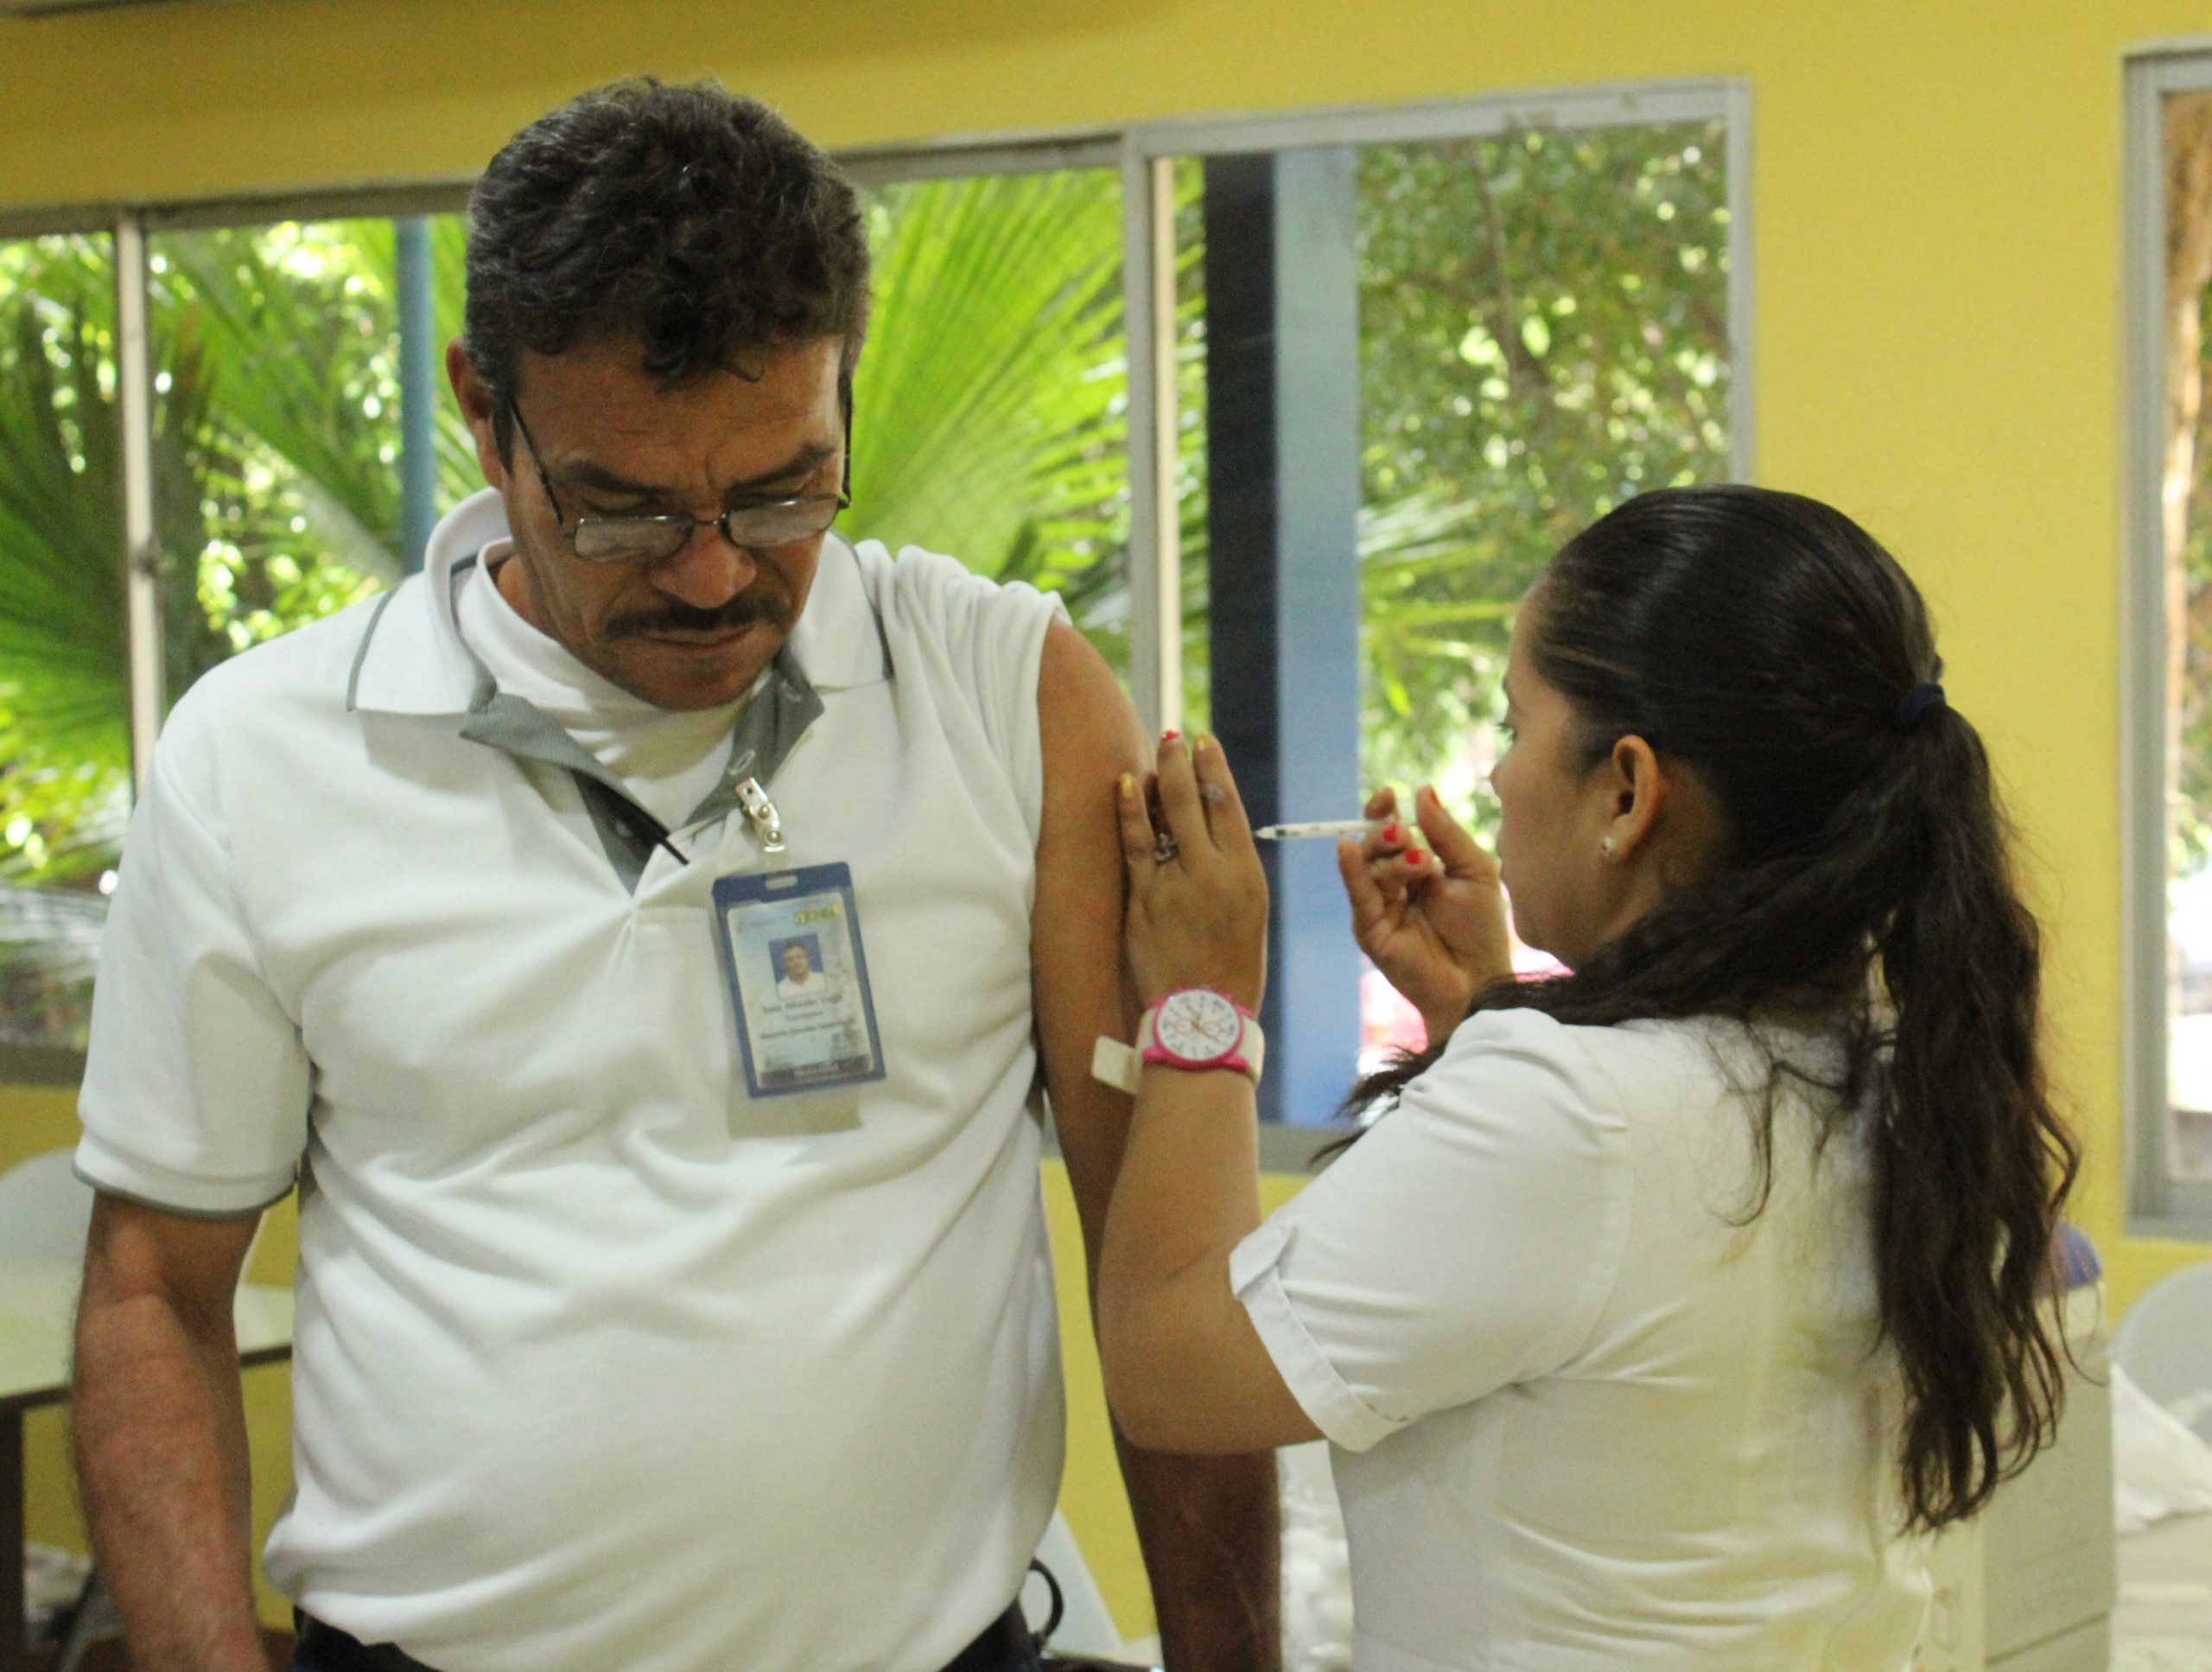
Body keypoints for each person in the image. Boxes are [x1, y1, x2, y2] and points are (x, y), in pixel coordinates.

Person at [67, 79, 1278, 1672]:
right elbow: (155, 1295)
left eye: (782, 492)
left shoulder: (1004, 695)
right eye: (626, 509)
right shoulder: (266, 754)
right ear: (484, 416)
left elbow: (1162, 1267)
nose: (715, 574)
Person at [1093, 486, 2079, 1670]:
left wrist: (1201, 1004)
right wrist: (1478, 1004)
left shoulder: (1568, 1114)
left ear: (1627, 787)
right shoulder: (1894, 1056)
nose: (1497, 780)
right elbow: (1627, 1300)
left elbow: (1166, 1370)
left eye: (1514, 725)